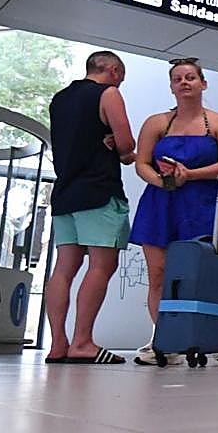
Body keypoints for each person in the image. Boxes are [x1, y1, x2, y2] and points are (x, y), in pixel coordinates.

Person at [128, 58, 218, 365]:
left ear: (203, 83)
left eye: (191, 77)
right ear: (171, 87)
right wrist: (162, 181)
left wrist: (190, 175)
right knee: (159, 274)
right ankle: (163, 339)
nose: (185, 82)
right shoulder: (156, 123)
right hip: (161, 202)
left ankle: (207, 337)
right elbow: (142, 162)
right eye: (178, 79)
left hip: (202, 202)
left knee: (201, 275)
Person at [44, 50, 136, 365]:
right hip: (99, 190)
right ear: (112, 70)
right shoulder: (108, 94)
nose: (120, 84)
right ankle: (83, 342)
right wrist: (121, 145)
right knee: (101, 265)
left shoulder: (60, 98)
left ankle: (58, 343)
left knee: (64, 268)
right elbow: (126, 146)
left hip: (65, 192)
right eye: (121, 78)